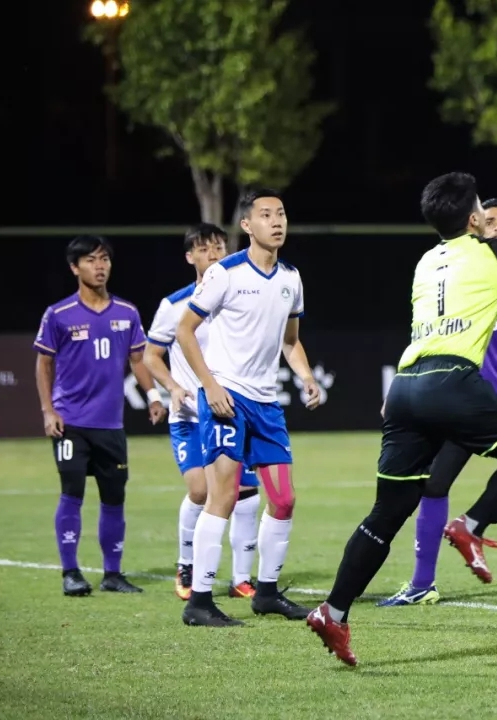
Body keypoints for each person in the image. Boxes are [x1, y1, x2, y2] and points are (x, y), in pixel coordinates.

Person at [306, 165, 497, 666]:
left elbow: (472, 311)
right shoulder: (495, 251)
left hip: (406, 388)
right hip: (452, 382)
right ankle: (470, 525)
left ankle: (333, 611)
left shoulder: (427, 262)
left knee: (387, 512)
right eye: (482, 210)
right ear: (473, 219)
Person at [377, 197, 497, 607]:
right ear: (478, 227)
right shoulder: (468, 272)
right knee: (434, 484)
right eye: (492, 221)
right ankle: (422, 583)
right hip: (466, 400)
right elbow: (432, 331)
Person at [175, 188, 321, 627]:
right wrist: (210, 385)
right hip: (227, 398)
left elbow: (290, 342)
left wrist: (306, 376)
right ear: (247, 225)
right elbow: (185, 331)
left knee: (284, 499)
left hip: (266, 403)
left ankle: (267, 593)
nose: (276, 222)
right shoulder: (225, 273)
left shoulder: (291, 278)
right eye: (266, 215)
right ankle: (199, 601)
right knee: (222, 496)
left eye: (281, 214)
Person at [34, 234, 167, 596]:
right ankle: (71, 572)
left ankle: (112, 574)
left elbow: (138, 360)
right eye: (91, 260)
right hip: (70, 423)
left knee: (113, 497)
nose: (100, 266)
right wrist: (48, 410)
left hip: (111, 425)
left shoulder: (127, 312)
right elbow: (43, 364)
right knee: (72, 493)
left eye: (104, 259)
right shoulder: (58, 314)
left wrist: (153, 396)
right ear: (74, 268)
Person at [142, 224, 262, 601]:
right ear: (189, 256)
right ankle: (186, 565)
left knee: (246, 492)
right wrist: (173, 387)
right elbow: (150, 356)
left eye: (219, 247)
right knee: (200, 490)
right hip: (191, 417)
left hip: (233, 411)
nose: (213, 253)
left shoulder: (240, 299)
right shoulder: (175, 305)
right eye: (204, 248)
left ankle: (241, 578)